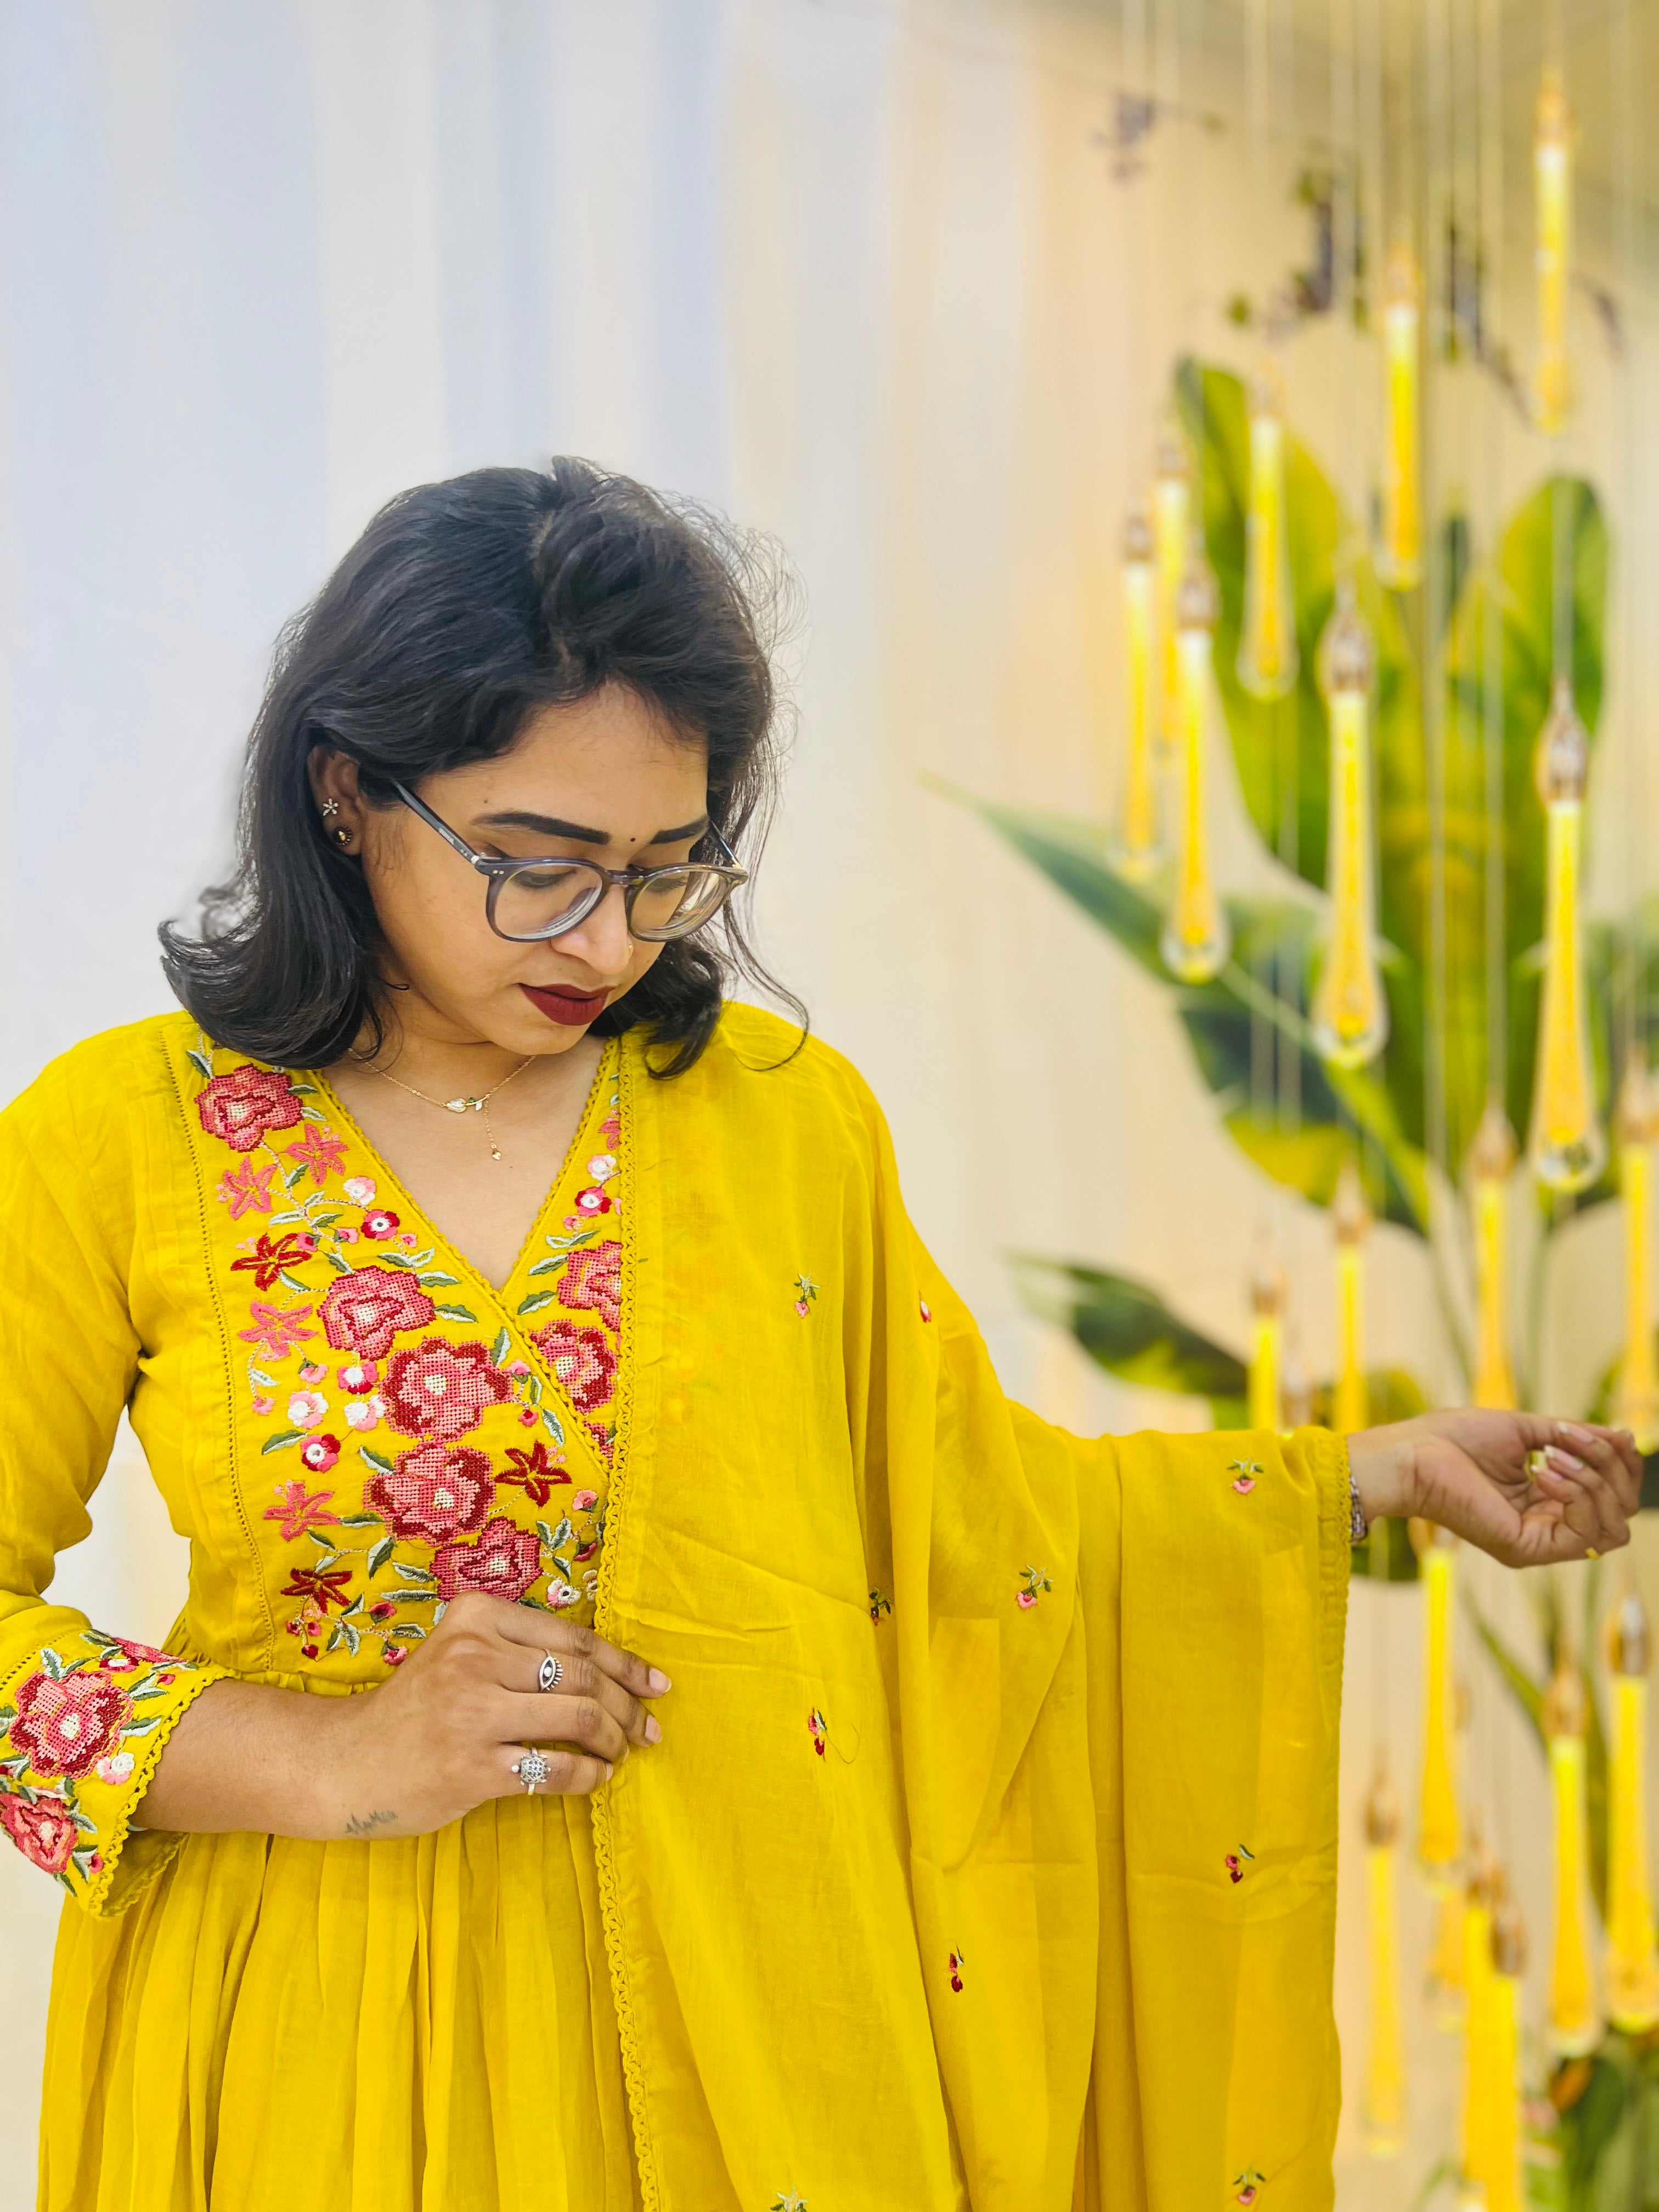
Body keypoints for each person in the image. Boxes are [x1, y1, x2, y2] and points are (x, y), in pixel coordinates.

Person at [0, 460, 1638, 2212]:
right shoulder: (126, 1138)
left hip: (763, 2038)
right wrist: (332, 1757)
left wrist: (1360, 1480)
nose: (606, 938)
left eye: (663, 872)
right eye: (535, 866)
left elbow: (972, 1534)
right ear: (346, 794)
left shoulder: (780, 1120)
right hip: (321, 2035)